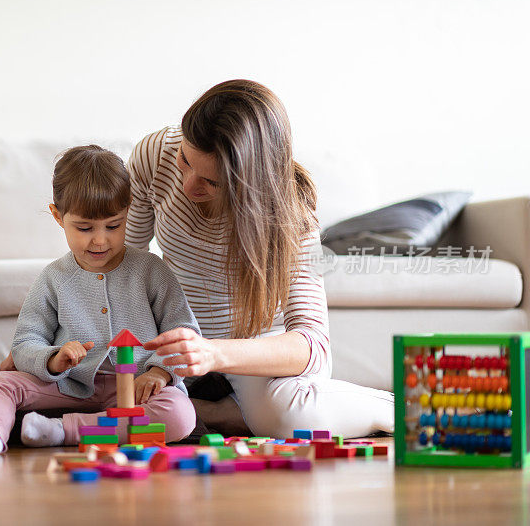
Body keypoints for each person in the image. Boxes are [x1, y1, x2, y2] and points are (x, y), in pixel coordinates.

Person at [126, 79, 394, 438]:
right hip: (176, 344)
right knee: (108, 396)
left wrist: (213, 353)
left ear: (250, 184)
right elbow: (123, 265)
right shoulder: (156, 154)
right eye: (186, 161)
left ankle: (401, 409)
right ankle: (223, 413)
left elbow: (313, 347)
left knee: (289, 417)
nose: (189, 185)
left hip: (249, 352)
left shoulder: (290, 217)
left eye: (212, 182)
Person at [0, 145, 199, 454]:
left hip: (135, 389)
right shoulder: (54, 278)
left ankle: (61, 430)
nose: (100, 239)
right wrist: (54, 360)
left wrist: (159, 372)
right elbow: (26, 342)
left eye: (113, 225)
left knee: (180, 414)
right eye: (84, 227)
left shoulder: (151, 270)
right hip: (69, 385)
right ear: (57, 216)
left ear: (128, 211)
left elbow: (184, 332)